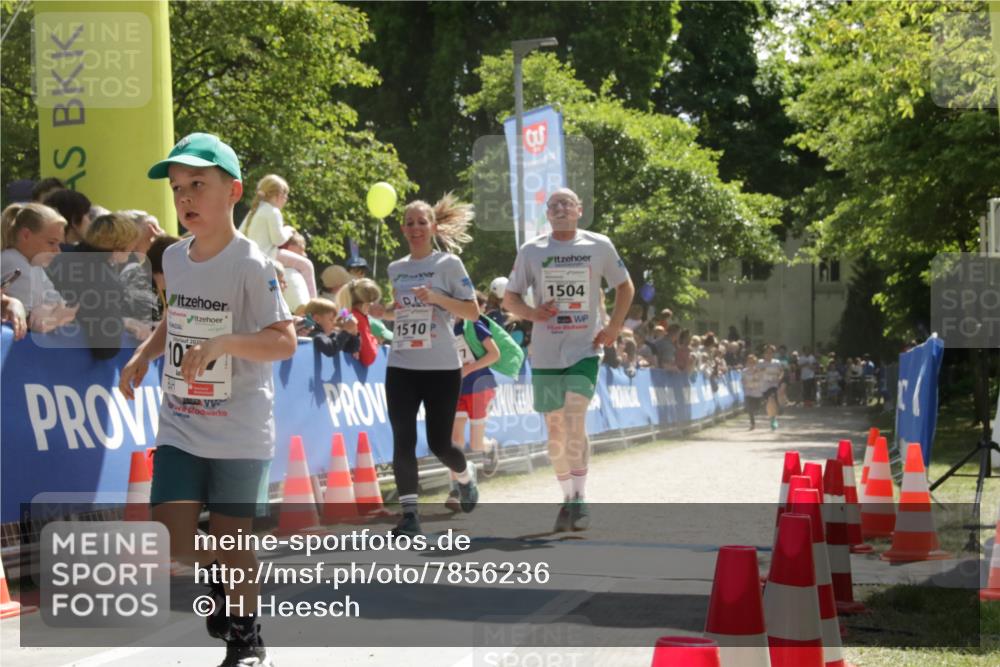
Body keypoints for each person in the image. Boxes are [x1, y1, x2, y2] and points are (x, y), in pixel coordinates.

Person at [120, 133, 295, 667]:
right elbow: (177, 318)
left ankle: (246, 637)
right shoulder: (174, 257)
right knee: (173, 539)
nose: (186, 198)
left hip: (240, 429)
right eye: (178, 189)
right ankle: (221, 575)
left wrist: (223, 344)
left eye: (198, 184)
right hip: (181, 423)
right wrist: (147, 355)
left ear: (233, 191)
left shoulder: (251, 263)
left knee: (232, 537)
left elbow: (284, 340)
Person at [503, 188, 634, 531]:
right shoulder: (532, 250)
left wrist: (615, 326)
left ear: (579, 210)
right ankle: (567, 498)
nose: (560, 208)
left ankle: (580, 497)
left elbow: (625, 286)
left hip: (584, 348)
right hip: (546, 353)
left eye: (566, 203)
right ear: (547, 214)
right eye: (553, 204)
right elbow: (510, 298)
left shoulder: (598, 245)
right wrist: (532, 312)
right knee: (555, 430)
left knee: (575, 416)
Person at [385, 193, 481, 537]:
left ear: (433, 227)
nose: (415, 228)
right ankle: (410, 515)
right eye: (409, 223)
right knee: (403, 439)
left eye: (421, 222)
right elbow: (400, 312)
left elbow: (472, 312)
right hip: (401, 363)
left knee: (440, 443)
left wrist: (437, 298)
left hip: (441, 366)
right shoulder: (395, 268)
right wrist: (377, 312)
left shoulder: (449, 265)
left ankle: (466, 475)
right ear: (402, 229)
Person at [48, 213, 144, 359]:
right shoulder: (104, 280)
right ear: (119, 247)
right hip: (73, 365)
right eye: (132, 247)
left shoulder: (58, 260)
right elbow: (107, 348)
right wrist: (125, 322)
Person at [446, 290, 501, 511]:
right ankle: (456, 489)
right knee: (454, 442)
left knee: (476, 444)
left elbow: (494, 354)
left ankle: (490, 447)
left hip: (479, 386)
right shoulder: (444, 330)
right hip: (456, 389)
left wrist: (469, 368)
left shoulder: (473, 325)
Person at [0, 203, 78, 332]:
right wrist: (56, 316)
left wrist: (47, 309)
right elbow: (33, 324)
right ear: (25, 235)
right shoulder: (13, 261)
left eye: (58, 244)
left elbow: (58, 300)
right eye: (51, 242)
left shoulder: (33, 263)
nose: (57, 251)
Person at [238, 173, 317, 299]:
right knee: (306, 265)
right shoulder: (273, 211)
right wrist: (288, 230)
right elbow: (278, 240)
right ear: (279, 195)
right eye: (285, 196)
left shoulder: (253, 212)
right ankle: (314, 304)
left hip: (249, 258)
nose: (286, 200)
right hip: (268, 255)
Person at [334, 278, 381, 367]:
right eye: (372, 302)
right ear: (366, 303)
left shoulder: (346, 313)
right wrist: (374, 342)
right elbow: (368, 358)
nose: (373, 305)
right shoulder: (357, 318)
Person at [759, 344, 784, 431]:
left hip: (773, 385)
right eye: (767, 353)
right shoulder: (760, 362)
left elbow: (781, 372)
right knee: (768, 404)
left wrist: (779, 378)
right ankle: (772, 418)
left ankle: (773, 420)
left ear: (773, 354)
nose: (768, 354)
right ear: (764, 354)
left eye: (770, 353)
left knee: (771, 399)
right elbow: (756, 372)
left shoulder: (776, 362)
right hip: (764, 386)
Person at [742, 354, 763, 430]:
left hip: (757, 393)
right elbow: (743, 381)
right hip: (748, 392)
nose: (751, 364)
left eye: (752, 362)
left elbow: (760, 381)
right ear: (747, 363)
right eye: (749, 362)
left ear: (755, 363)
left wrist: (755, 381)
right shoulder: (744, 371)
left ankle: (755, 415)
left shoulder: (758, 371)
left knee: (756, 408)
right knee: (749, 408)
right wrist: (745, 384)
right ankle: (752, 423)